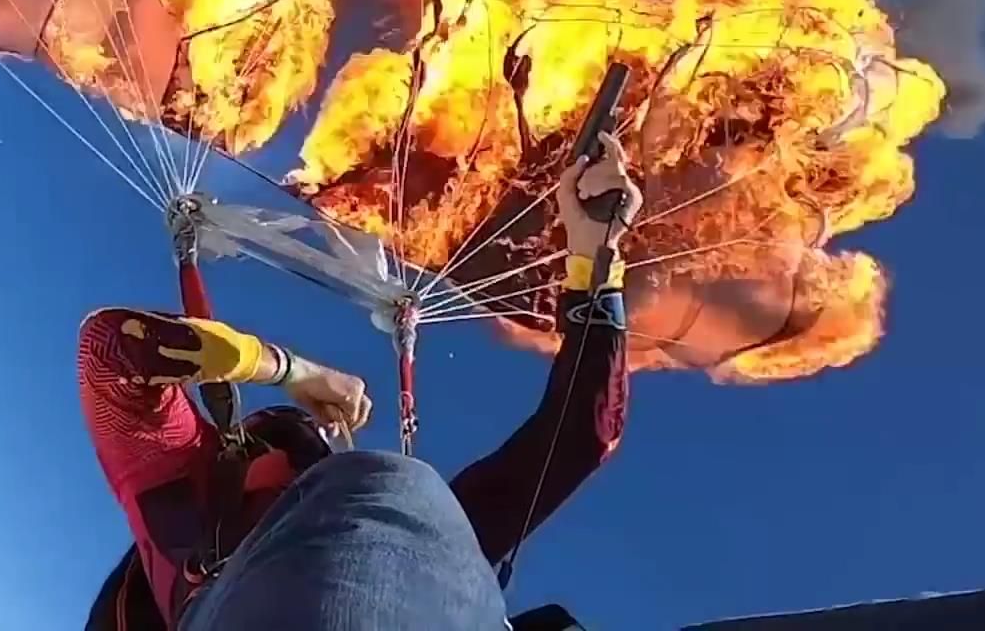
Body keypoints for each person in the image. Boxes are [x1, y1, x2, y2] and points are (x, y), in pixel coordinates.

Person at [78, 132, 643, 630]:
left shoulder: (177, 493)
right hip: (391, 570)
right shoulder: (417, 529)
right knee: (409, 491)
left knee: (408, 495)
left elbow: (112, 347)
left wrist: (595, 254)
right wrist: (597, 262)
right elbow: (582, 438)